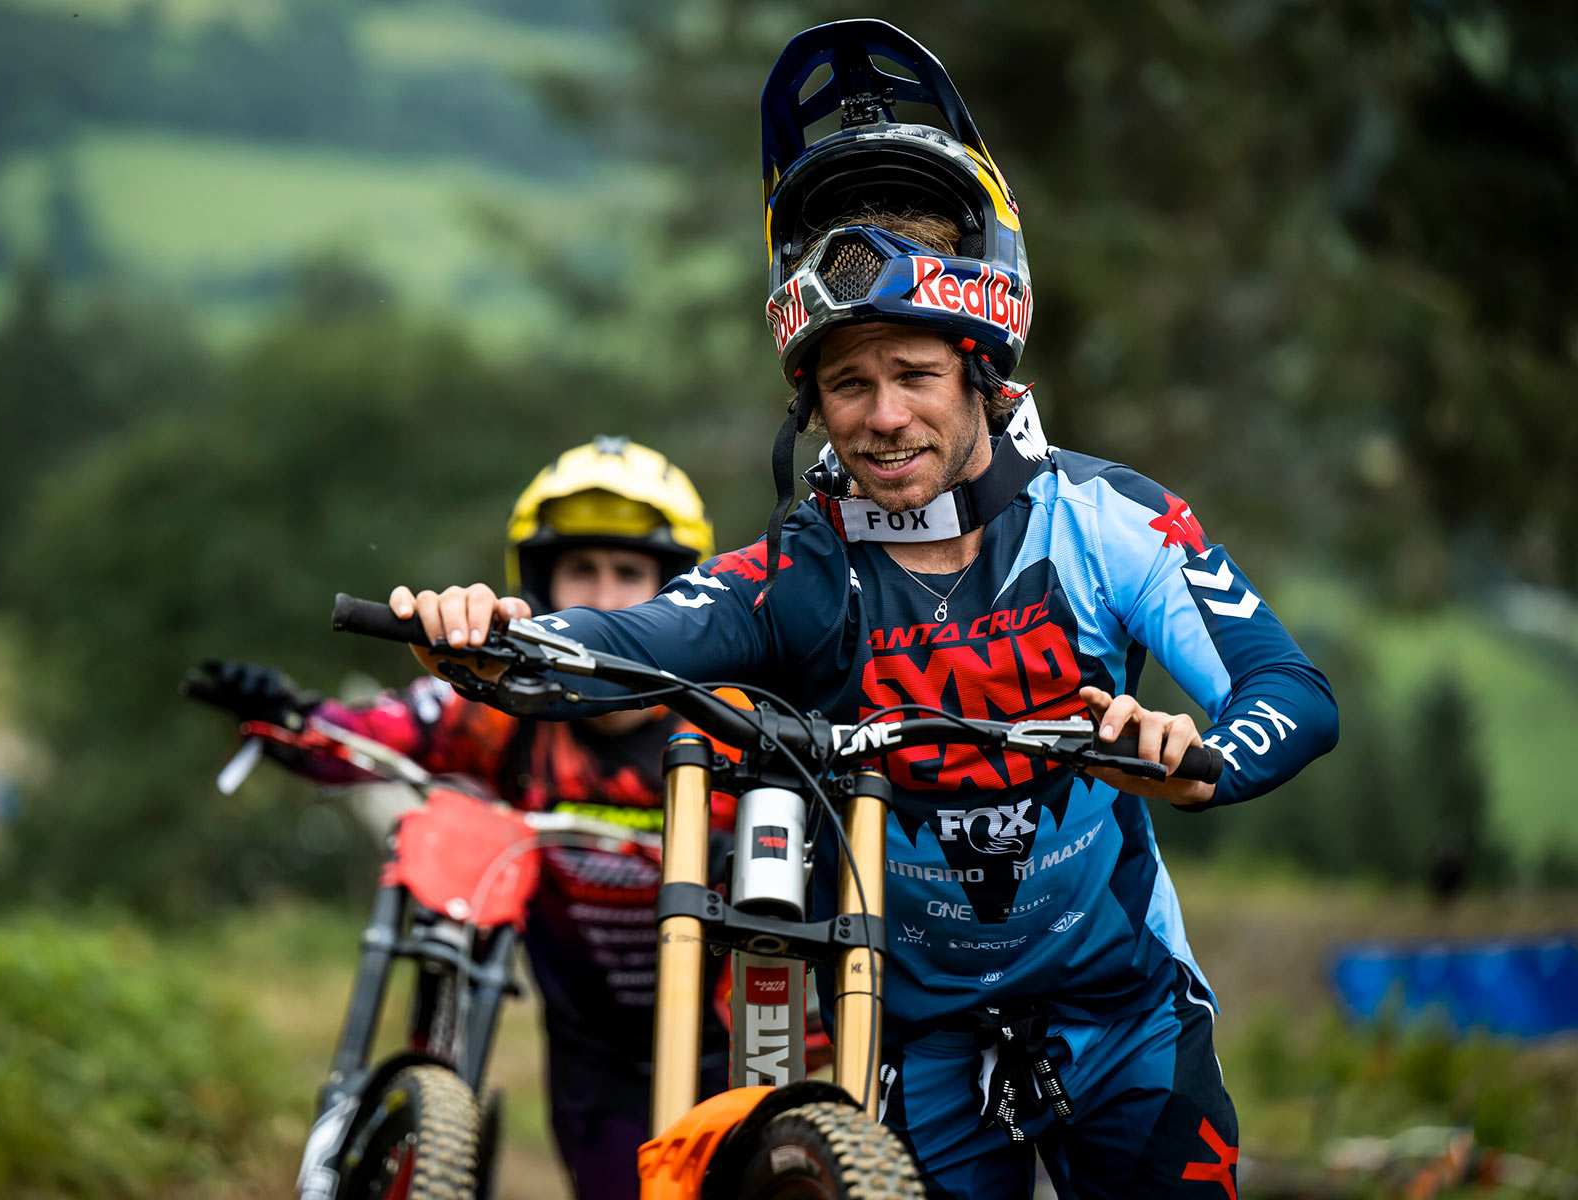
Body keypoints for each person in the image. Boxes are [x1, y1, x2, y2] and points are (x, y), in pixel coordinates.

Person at [384, 20, 1339, 1200]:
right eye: (849, 381)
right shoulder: (800, 570)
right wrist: (487, 639)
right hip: (915, 1045)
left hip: (1127, 1013)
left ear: (983, 370)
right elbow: (624, 643)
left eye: (916, 375)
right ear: (812, 399)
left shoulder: (1111, 521)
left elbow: (1292, 694)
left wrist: (1196, 758)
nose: (883, 416)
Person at [192, 436, 725, 1200]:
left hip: (745, 1047)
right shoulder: (504, 709)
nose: (604, 595)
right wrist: (285, 715)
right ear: (542, 583)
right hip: (596, 1067)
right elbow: (371, 736)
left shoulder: (727, 718)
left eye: (629, 572)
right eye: (581, 569)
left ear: (673, 590)